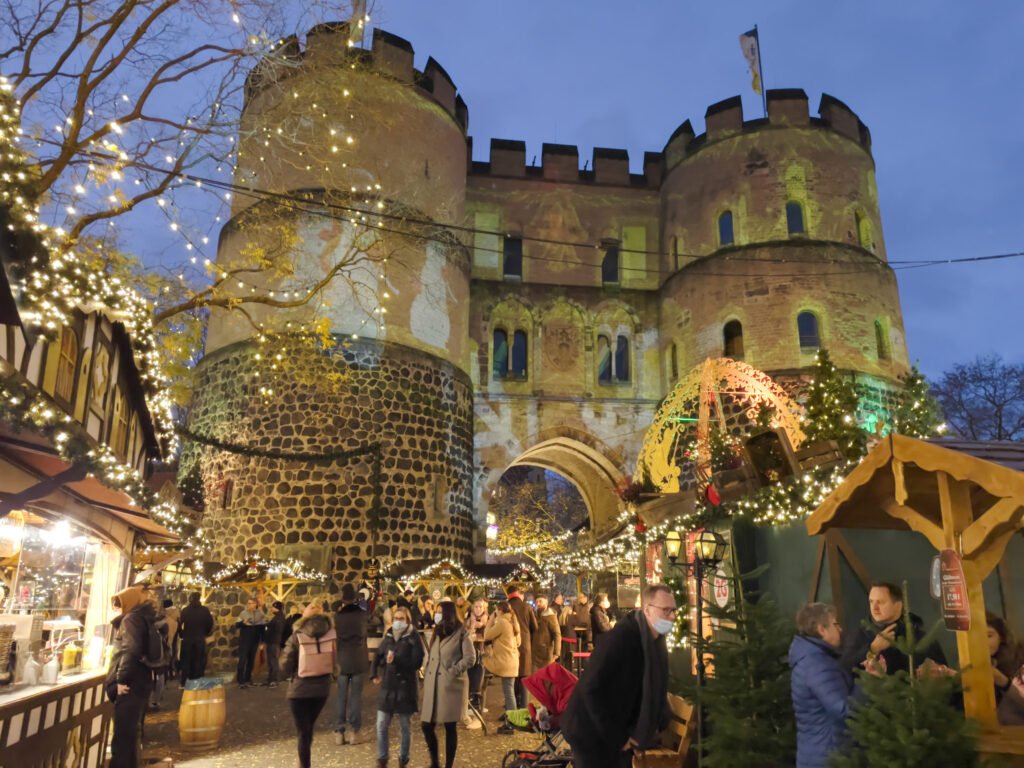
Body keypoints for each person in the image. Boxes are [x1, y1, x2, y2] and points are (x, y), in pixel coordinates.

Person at [562, 584, 675, 768]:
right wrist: (618, 737)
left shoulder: (653, 642)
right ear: (647, 610)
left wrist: (645, 731)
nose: (672, 616)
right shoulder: (622, 638)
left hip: (612, 729)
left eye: (673, 610)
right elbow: (590, 688)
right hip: (589, 730)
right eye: (666, 610)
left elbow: (643, 689)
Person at [789, 602, 852, 768]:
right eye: (835, 624)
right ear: (822, 630)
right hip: (827, 757)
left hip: (816, 753)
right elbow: (843, 709)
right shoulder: (818, 665)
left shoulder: (810, 658)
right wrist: (868, 682)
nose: (840, 629)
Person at [105, 585, 161, 768]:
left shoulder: (131, 619)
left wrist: (121, 680)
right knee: (129, 737)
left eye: (120, 603)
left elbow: (131, 650)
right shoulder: (144, 617)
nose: (118, 608)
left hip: (130, 683)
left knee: (122, 739)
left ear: (129, 602)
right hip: (141, 679)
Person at [839, 582, 946, 676]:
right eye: (871, 602)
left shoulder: (921, 637)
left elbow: (944, 674)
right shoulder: (860, 635)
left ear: (898, 606)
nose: (874, 607)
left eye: (880, 602)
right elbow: (845, 668)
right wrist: (872, 649)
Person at [280, 602, 337, 768]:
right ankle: (305, 762)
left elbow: (285, 665)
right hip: (322, 689)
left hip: (300, 690)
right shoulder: (331, 634)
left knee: (303, 732)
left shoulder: (297, 635)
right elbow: (335, 660)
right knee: (308, 728)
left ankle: (304, 764)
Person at [421, 600, 475, 768]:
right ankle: (435, 762)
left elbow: (470, 657)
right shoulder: (437, 630)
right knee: (426, 725)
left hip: (450, 685)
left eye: (439, 611)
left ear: (447, 613)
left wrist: (452, 671)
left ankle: (448, 765)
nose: (436, 614)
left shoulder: (461, 632)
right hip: (433, 684)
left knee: (450, 726)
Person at [371, 605, 424, 768]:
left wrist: (397, 661)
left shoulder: (413, 637)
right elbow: (378, 655)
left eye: (401, 619)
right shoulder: (388, 635)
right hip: (388, 686)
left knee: (405, 726)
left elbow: (417, 662)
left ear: (408, 621)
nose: (398, 621)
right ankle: (382, 758)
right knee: (381, 724)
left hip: (405, 687)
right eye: (396, 618)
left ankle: (403, 758)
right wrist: (374, 673)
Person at [334, 583, 369, 745]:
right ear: (355, 598)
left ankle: (339, 732)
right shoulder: (362, 615)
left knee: (341, 697)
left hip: (342, 660)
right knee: (355, 697)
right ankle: (355, 732)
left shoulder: (338, 616)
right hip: (358, 658)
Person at [484, 601, 521, 735]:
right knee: (509, 690)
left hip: (505, 661)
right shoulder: (513, 622)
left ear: (499, 610)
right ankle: (511, 718)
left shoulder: (502, 622)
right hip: (513, 660)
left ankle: (512, 723)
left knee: (509, 692)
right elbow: (519, 642)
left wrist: (490, 620)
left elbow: (487, 635)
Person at [506, 585, 538, 707]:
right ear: (519, 594)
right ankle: (524, 708)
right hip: (525, 646)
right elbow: (535, 628)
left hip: (509, 646)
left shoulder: (505, 607)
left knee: (510, 679)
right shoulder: (527, 607)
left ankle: (511, 708)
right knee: (524, 677)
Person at [178, 591, 214, 683]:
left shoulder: (185, 610)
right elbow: (210, 624)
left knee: (186, 660)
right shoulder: (205, 610)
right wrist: (205, 633)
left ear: (190, 599)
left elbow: (180, 624)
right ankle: (198, 680)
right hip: (200, 638)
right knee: (199, 660)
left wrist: (182, 634)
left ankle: (185, 681)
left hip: (187, 639)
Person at [464, 598, 489, 719]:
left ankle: (477, 701)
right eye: (476, 607)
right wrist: (471, 629)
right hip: (470, 651)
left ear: (484, 609)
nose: (478, 609)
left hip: (482, 652)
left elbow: (489, 636)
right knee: (470, 675)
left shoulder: (488, 621)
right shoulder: (469, 620)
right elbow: (465, 634)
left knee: (479, 676)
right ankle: (470, 702)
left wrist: (482, 629)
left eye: (480, 607)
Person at [235, 597, 266, 688]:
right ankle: (240, 680)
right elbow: (236, 625)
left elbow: (262, 628)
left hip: (254, 640)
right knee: (242, 660)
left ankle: (248, 679)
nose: (249, 605)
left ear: (255, 604)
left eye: (251, 603)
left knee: (251, 661)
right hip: (244, 640)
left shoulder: (260, 614)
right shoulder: (243, 613)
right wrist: (243, 623)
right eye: (248, 603)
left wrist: (262, 642)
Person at [532, 593, 561, 671]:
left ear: (546, 602)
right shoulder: (535, 615)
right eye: (536, 602)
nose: (538, 604)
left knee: (546, 676)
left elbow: (557, 634)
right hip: (535, 652)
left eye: (540, 601)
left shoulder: (551, 616)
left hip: (546, 653)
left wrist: (556, 653)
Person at [263, 600, 286, 687]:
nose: (271, 609)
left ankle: (273, 680)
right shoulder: (278, 617)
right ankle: (270, 680)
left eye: (273, 607)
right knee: (271, 661)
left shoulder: (278, 618)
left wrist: (267, 627)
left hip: (274, 642)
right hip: (272, 642)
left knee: (273, 661)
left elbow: (274, 630)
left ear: (277, 608)